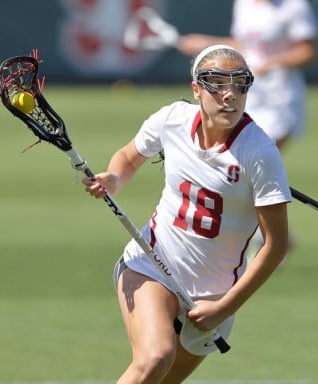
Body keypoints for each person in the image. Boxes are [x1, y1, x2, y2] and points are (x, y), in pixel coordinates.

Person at [83, 45, 291, 384]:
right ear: (196, 89)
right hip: (151, 263)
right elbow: (130, 154)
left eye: (240, 84)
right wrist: (115, 177)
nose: (230, 95)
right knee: (154, 359)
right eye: (217, 83)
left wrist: (225, 308)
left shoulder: (260, 153)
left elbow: (275, 244)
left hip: (214, 297)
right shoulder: (172, 120)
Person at [176, 0, 318, 151]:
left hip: (280, 96)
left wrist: (271, 63)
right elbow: (241, 44)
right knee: (240, 158)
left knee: (259, 155)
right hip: (246, 93)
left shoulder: (294, 5)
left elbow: (307, 52)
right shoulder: (243, 3)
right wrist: (205, 43)